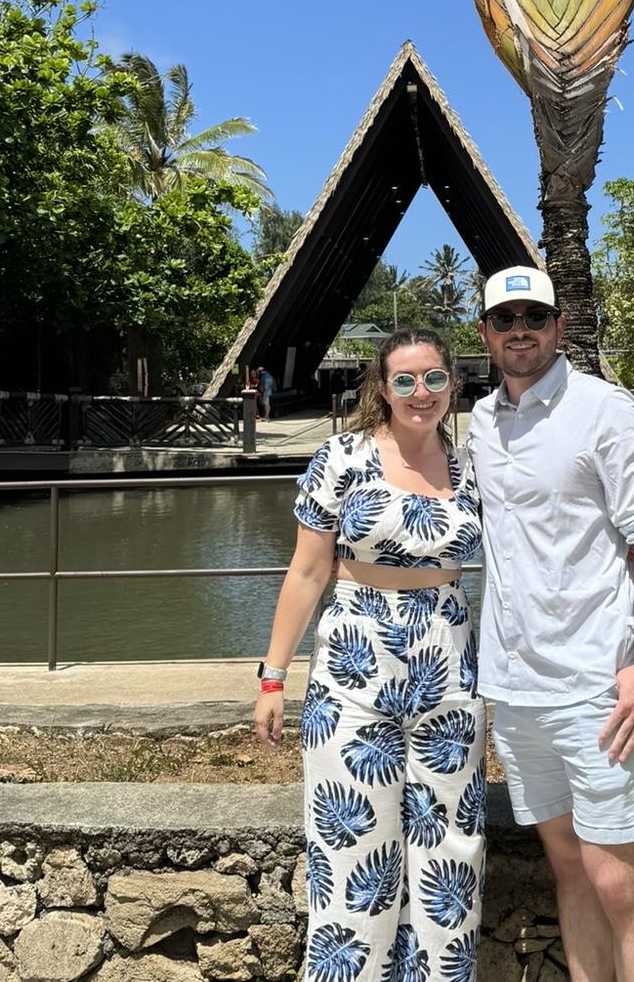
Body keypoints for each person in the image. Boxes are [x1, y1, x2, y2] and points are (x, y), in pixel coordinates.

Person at [469, 267, 634, 982]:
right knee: (569, 870)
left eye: (535, 316)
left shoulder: (603, 409)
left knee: (617, 880)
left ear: (560, 326)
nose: (520, 330)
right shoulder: (481, 420)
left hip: (596, 684)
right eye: (505, 319)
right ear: (485, 333)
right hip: (515, 687)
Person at [255, 328, 484, 982]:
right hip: (355, 660)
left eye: (433, 378)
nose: (420, 393)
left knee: (451, 852)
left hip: (447, 659)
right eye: (404, 380)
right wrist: (272, 678)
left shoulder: (473, 467)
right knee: (351, 850)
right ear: (382, 388)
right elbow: (307, 572)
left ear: (452, 384)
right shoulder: (342, 457)